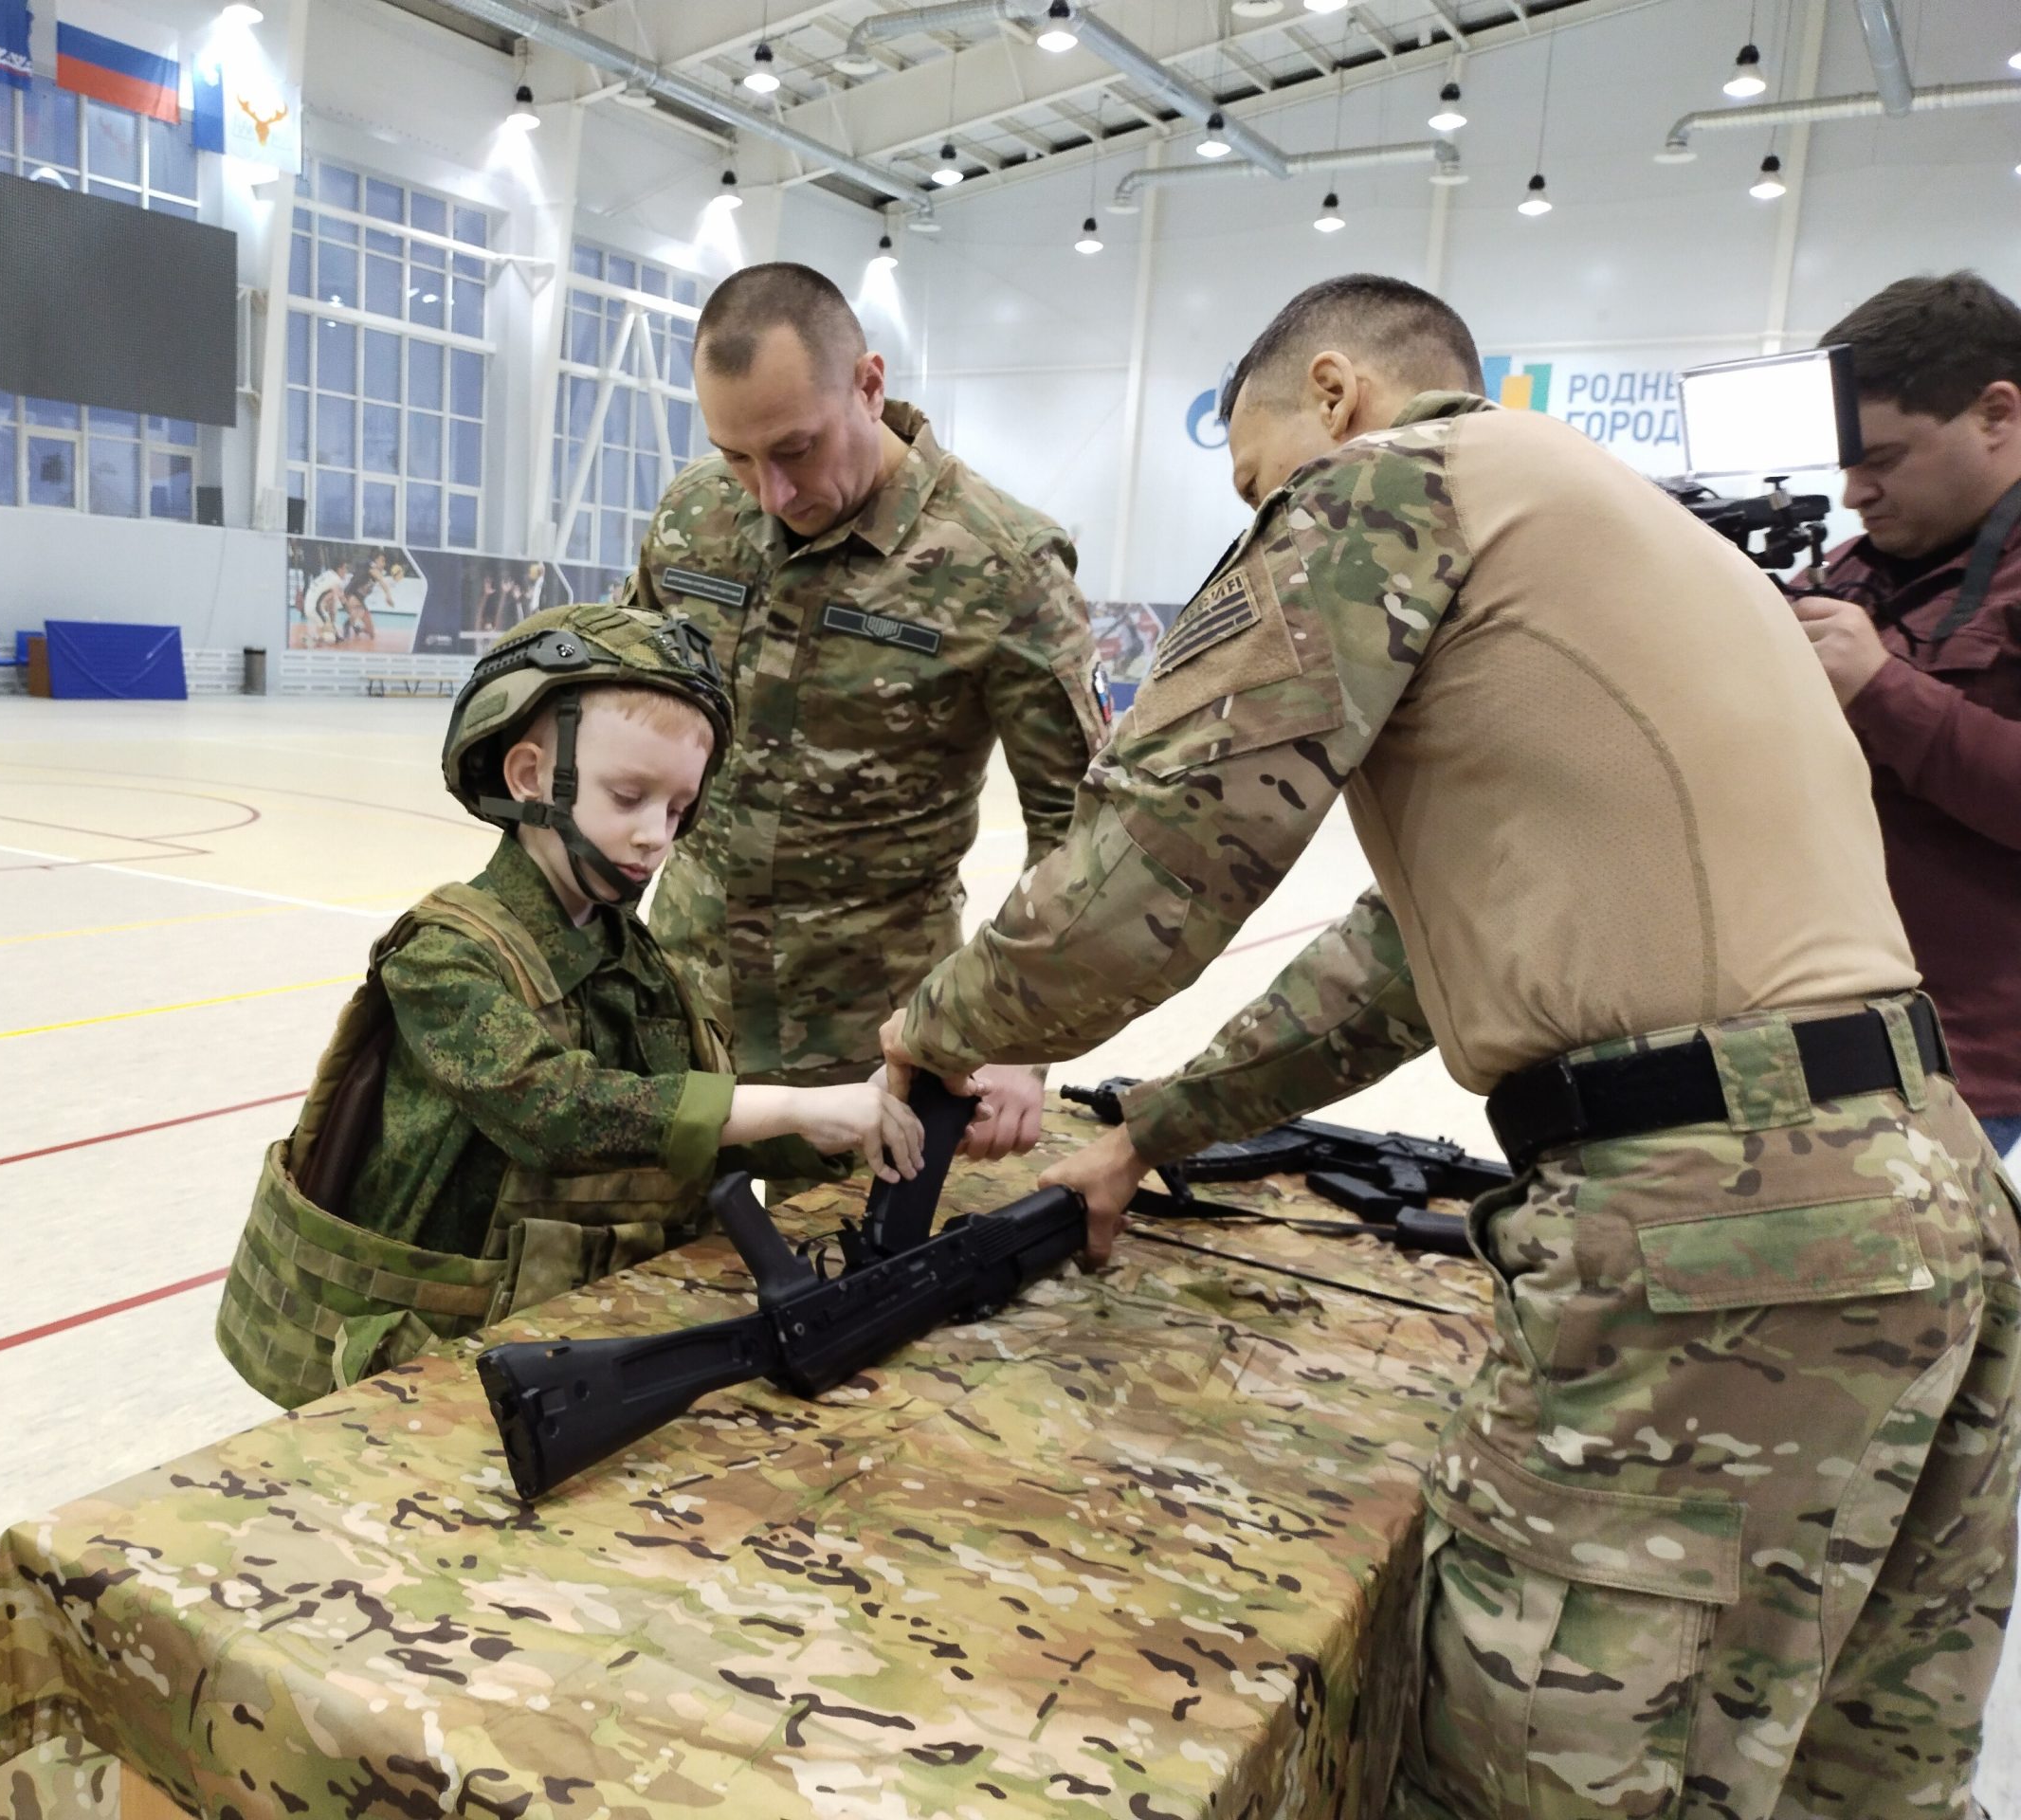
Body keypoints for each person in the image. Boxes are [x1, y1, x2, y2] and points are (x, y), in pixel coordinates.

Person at [879, 274, 2018, 1819]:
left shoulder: (1385, 488)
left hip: (1713, 1245)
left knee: (1527, 1784)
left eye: (1252, 472)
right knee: (1848, 1788)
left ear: (1335, 396)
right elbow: (1399, 967)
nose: (1263, 511)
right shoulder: (1632, 545)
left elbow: (1154, 874)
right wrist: (1153, 1129)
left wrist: (927, 1033)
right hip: (1927, 1205)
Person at [216, 602, 923, 1410]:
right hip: (435, 1364)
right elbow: (557, 1110)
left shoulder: (638, 960)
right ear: (528, 779)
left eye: (677, 810)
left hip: (576, 1342)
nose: (656, 835)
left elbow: (689, 1135)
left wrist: (850, 1120)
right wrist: (790, 1104)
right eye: (628, 796)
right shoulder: (448, 956)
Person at [620, 262, 1108, 1160]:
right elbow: (621, 725)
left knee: (849, 1294)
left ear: (870, 385)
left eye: (796, 449)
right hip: (680, 1023)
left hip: (878, 1051)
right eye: (737, 455)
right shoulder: (693, 517)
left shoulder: (1003, 563)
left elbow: (1080, 833)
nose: (769, 491)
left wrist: (1026, 1044)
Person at [1790, 272, 2021, 1161]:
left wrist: (1882, 688)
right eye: (1846, 462)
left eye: (1882, 461)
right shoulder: (1850, 565)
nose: (1853, 492)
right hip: (1800, 1022)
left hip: (1953, 1063)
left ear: (1996, 414)